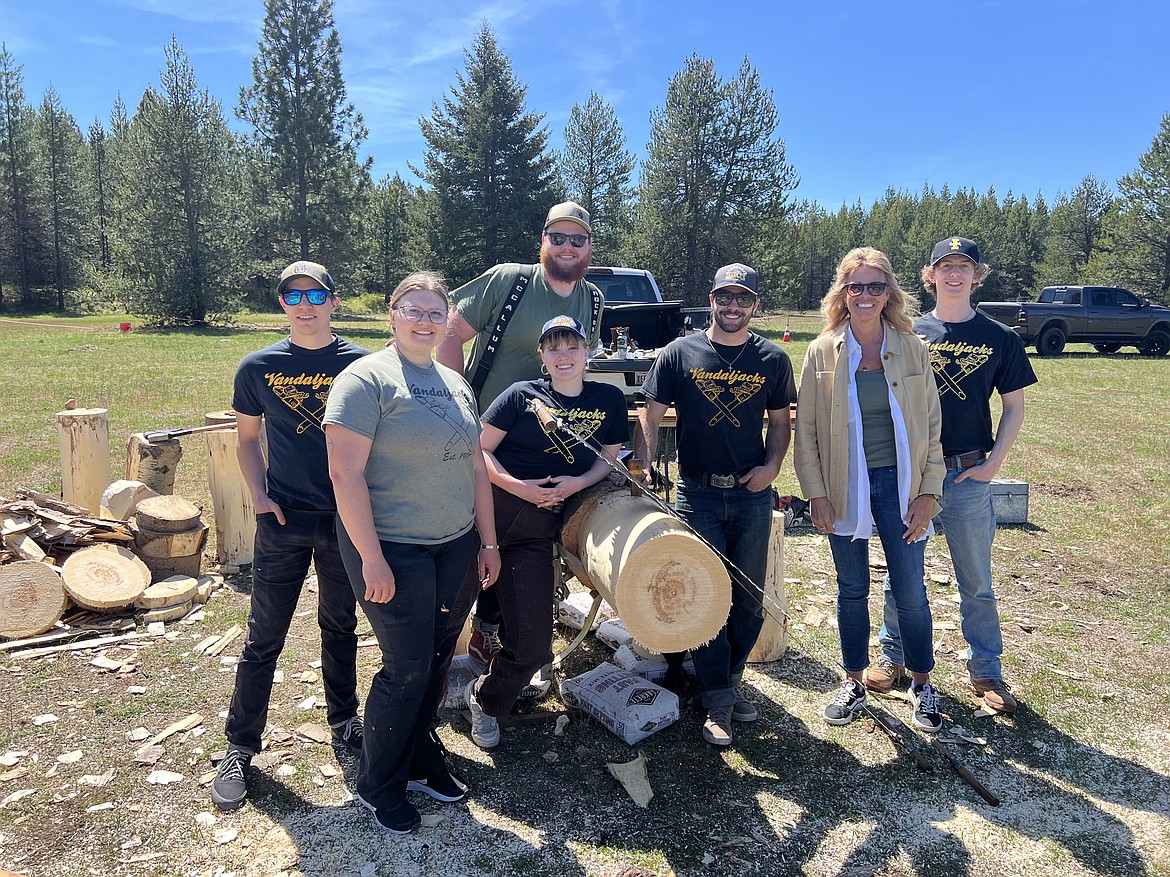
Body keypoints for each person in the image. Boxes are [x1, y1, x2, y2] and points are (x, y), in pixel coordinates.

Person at [324, 271, 500, 835]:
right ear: (392, 315)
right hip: (392, 546)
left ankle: (421, 759)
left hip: (454, 545)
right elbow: (344, 474)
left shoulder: (455, 381)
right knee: (408, 666)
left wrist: (487, 541)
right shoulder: (365, 379)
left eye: (435, 312)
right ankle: (379, 784)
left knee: (438, 657)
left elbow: (476, 468)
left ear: (448, 321)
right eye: (413, 310)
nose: (425, 320)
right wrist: (371, 557)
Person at [211, 261, 370, 811]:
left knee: (340, 624)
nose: (305, 304)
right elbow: (248, 439)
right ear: (282, 304)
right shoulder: (257, 367)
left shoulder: (363, 364)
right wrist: (258, 495)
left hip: (345, 518)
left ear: (333, 301)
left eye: (316, 294)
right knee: (264, 635)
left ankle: (345, 720)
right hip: (283, 517)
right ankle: (239, 746)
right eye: (293, 295)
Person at [865, 237, 1037, 714]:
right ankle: (892, 656)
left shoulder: (1000, 338)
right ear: (931, 274)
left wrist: (994, 463)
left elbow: (1014, 406)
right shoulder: (906, 331)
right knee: (902, 572)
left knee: (975, 578)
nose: (955, 274)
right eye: (946, 266)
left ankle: (986, 670)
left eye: (965, 266)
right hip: (914, 473)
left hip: (966, 474)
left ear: (977, 275)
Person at [437, 202, 605, 667]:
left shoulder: (592, 298)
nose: (567, 247)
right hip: (488, 435)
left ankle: (500, 633)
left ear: (589, 247)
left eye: (578, 239)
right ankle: (445, 633)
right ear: (543, 241)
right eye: (559, 237)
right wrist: (459, 407)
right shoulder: (509, 280)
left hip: (548, 444)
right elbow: (451, 334)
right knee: (473, 536)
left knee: (525, 542)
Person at [636, 263, 796, 747]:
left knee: (747, 600)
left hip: (751, 493)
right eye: (724, 298)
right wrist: (644, 464)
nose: (732, 307)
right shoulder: (679, 353)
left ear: (755, 306)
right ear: (712, 299)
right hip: (697, 492)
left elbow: (780, 422)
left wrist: (772, 468)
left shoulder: (772, 358)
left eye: (742, 299)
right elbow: (651, 413)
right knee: (702, 594)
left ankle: (725, 681)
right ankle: (719, 698)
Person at [794, 247, 946, 733]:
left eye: (875, 286)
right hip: (844, 485)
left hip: (901, 486)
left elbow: (932, 426)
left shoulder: (912, 346)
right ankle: (854, 680)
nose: (864, 295)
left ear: (890, 294)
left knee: (909, 589)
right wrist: (816, 493)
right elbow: (808, 432)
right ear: (842, 292)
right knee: (851, 588)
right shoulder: (822, 351)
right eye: (855, 286)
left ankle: (923, 685)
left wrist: (928, 492)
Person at [464, 315, 629, 749]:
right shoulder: (520, 395)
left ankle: (484, 699)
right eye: (553, 346)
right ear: (542, 355)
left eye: (571, 345)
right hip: (491, 514)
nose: (563, 354)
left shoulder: (609, 399)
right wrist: (520, 487)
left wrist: (577, 483)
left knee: (535, 645)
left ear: (587, 350)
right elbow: (478, 451)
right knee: (443, 622)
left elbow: (607, 459)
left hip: (539, 532)